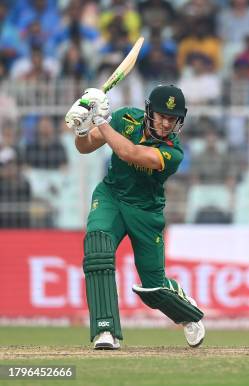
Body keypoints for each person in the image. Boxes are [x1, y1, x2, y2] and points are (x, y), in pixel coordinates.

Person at [64, 85, 205, 350]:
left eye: (172, 119)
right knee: (97, 247)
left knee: (153, 290)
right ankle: (105, 331)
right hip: (111, 196)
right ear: (149, 111)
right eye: (161, 115)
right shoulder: (125, 118)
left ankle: (188, 313)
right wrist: (82, 128)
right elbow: (84, 147)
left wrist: (101, 121)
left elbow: (129, 153)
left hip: (145, 211)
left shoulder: (173, 153)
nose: (165, 123)